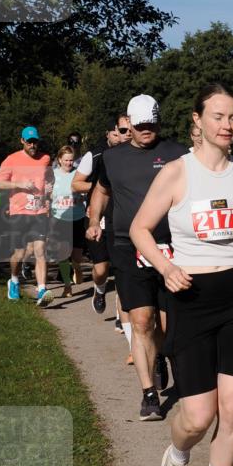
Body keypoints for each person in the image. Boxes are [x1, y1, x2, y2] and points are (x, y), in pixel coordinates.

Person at [130, 83, 233, 466]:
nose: (227, 125)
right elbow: (139, 229)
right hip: (190, 296)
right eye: (218, 117)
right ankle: (177, 458)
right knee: (197, 416)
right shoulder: (177, 173)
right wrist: (165, 267)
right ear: (198, 120)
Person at [87, 96, 185, 421]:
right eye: (140, 125)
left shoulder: (177, 153)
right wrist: (93, 220)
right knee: (142, 320)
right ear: (129, 123)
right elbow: (101, 191)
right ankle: (149, 394)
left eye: (151, 125)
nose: (146, 130)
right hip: (127, 247)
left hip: (171, 247)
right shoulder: (112, 158)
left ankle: (161, 356)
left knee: (167, 325)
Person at [73, 116, 131, 323]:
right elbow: (76, 184)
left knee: (123, 268)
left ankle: (122, 316)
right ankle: (99, 289)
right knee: (101, 268)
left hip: (123, 217)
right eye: (118, 132)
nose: (121, 136)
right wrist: (102, 187)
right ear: (109, 132)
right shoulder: (96, 155)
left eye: (126, 131)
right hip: (98, 216)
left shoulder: (136, 155)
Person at [0, 126, 54, 306]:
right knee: (19, 253)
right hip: (19, 212)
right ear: (22, 141)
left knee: (40, 250)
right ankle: (13, 280)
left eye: (35, 142)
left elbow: (50, 177)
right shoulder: (12, 159)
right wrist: (19, 184)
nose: (32, 145)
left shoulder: (45, 158)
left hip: (39, 212)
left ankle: (42, 289)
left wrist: (49, 187)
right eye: (29, 142)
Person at [50, 146, 86, 298]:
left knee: (76, 257)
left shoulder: (78, 174)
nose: (69, 163)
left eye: (71, 160)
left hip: (77, 218)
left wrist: (83, 196)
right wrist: (48, 193)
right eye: (66, 160)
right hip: (59, 218)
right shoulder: (52, 175)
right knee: (63, 254)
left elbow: (86, 192)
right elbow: (46, 193)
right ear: (59, 160)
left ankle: (77, 268)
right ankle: (67, 286)